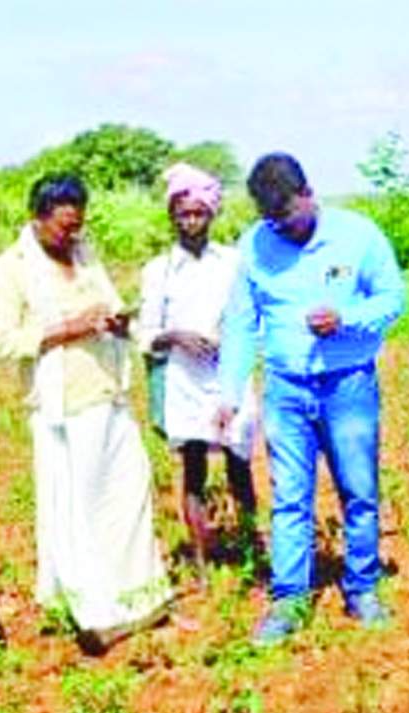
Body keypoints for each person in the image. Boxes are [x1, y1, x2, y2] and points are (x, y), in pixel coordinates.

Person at [217, 152, 406, 644]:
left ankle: (362, 588)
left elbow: (393, 298)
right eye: (270, 220)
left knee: (359, 490)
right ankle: (289, 600)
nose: (280, 228)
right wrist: (229, 391)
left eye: (288, 216)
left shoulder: (358, 235)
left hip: (348, 386)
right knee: (290, 497)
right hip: (286, 390)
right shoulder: (254, 246)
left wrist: (347, 318)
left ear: (307, 193)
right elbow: (240, 324)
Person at [0, 173, 170, 652]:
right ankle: (96, 612)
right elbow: (3, 342)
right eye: (64, 227)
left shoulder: (85, 254)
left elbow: (105, 306)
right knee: (78, 509)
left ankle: (142, 599)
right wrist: (67, 328)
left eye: (78, 225)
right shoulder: (12, 269)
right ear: (38, 220)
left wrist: (115, 320)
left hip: (109, 392)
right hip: (64, 406)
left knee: (129, 496)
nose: (73, 235)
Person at [136, 163, 258, 573]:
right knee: (194, 467)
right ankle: (203, 561)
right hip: (184, 376)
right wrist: (177, 336)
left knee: (239, 460)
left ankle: (250, 554)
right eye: (183, 213)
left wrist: (229, 335)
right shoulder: (158, 271)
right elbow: (146, 333)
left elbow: (250, 314)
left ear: (212, 215)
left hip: (229, 371)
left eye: (199, 213)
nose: (191, 221)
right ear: (171, 216)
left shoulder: (233, 262)